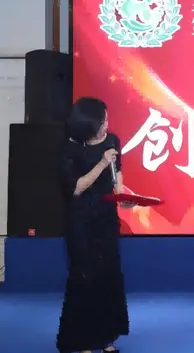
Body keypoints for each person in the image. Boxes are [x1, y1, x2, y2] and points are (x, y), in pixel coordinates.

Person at [56, 97, 131, 353]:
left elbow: (117, 172)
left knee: (108, 276)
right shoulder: (68, 149)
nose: (106, 125)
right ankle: (82, 342)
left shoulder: (112, 140)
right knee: (84, 277)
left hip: (106, 219)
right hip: (81, 221)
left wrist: (122, 194)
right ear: (87, 125)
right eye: (102, 122)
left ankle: (106, 338)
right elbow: (76, 188)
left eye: (107, 120)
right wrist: (102, 163)